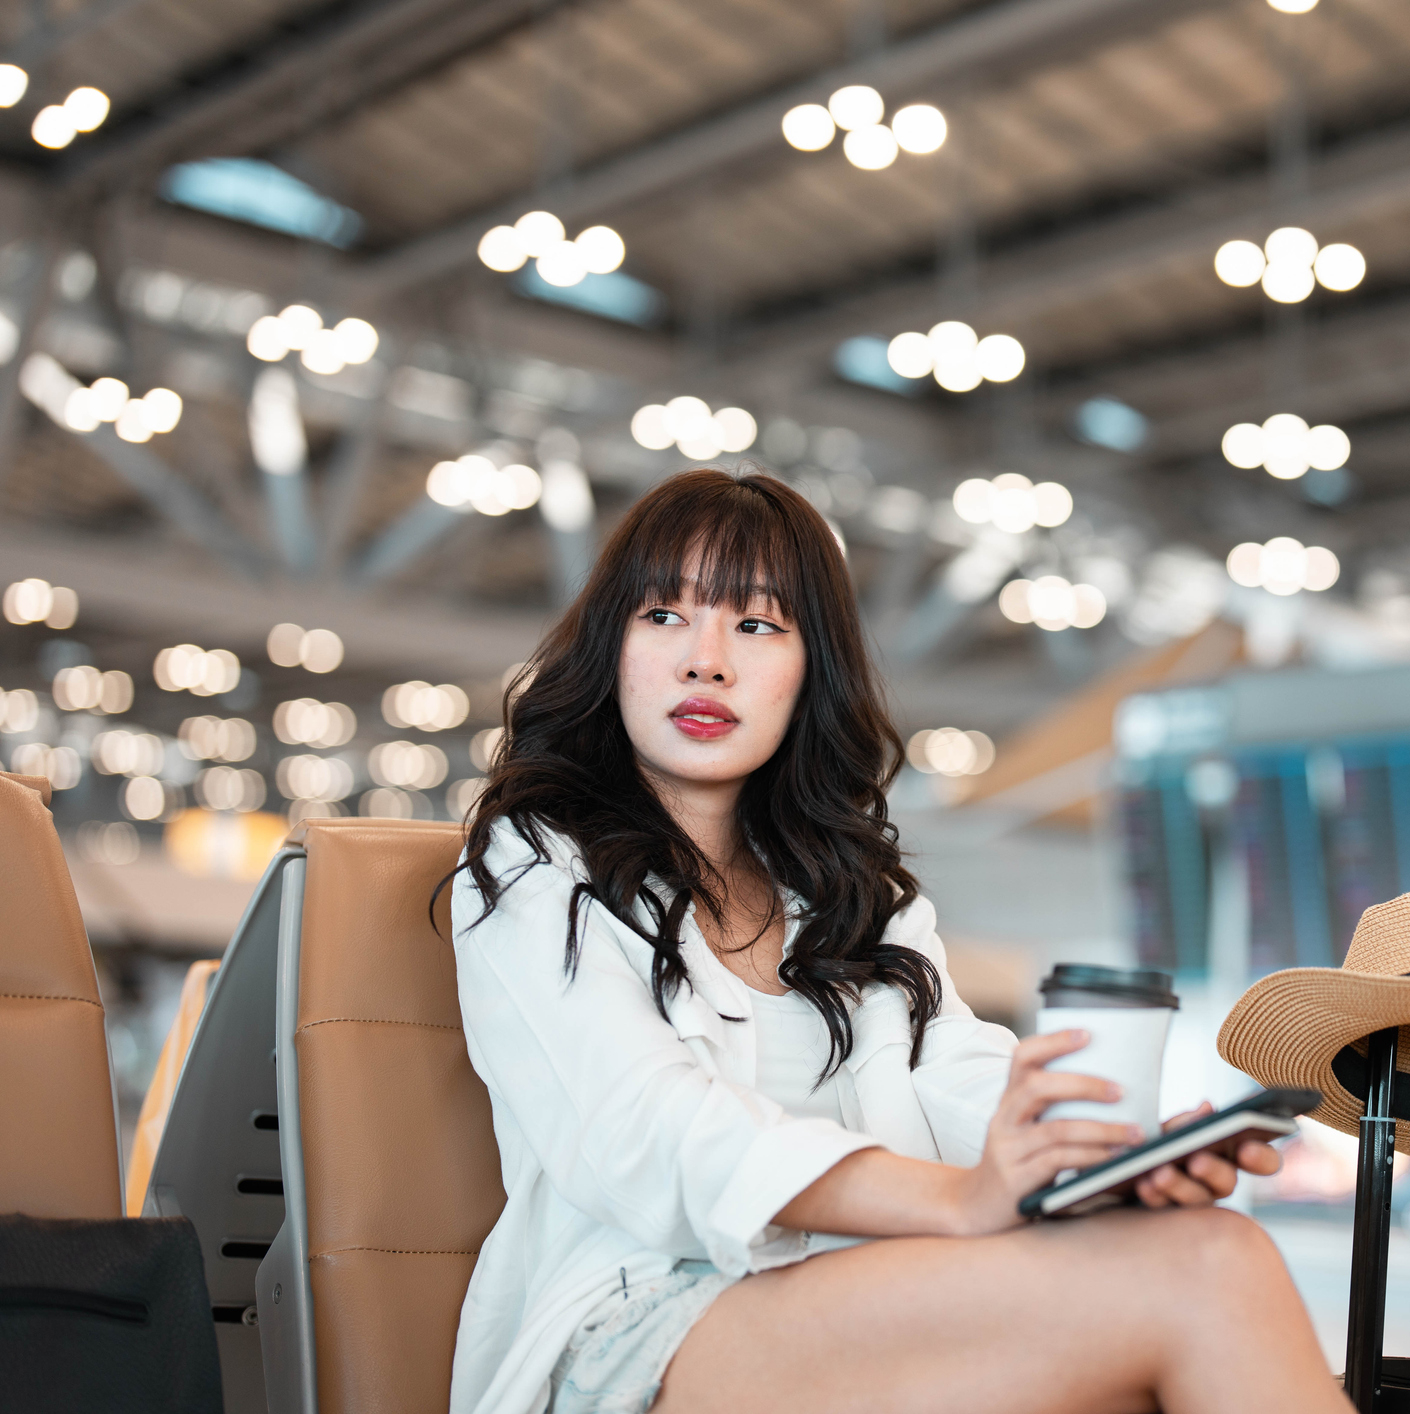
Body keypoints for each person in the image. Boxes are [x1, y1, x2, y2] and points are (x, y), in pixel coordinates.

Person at [448, 467, 1349, 1414]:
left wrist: (1096, 1157)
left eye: (756, 626)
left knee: (1190, 1262)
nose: (706, 660)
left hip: (860, 1291)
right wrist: (955, 1203)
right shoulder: (532, 860)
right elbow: (644, 1129)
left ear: (809, 672)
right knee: (1201, 1270)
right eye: (664, 616)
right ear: (612, 644)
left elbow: (957, 1077)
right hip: (631, 1327)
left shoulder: (855, 893)